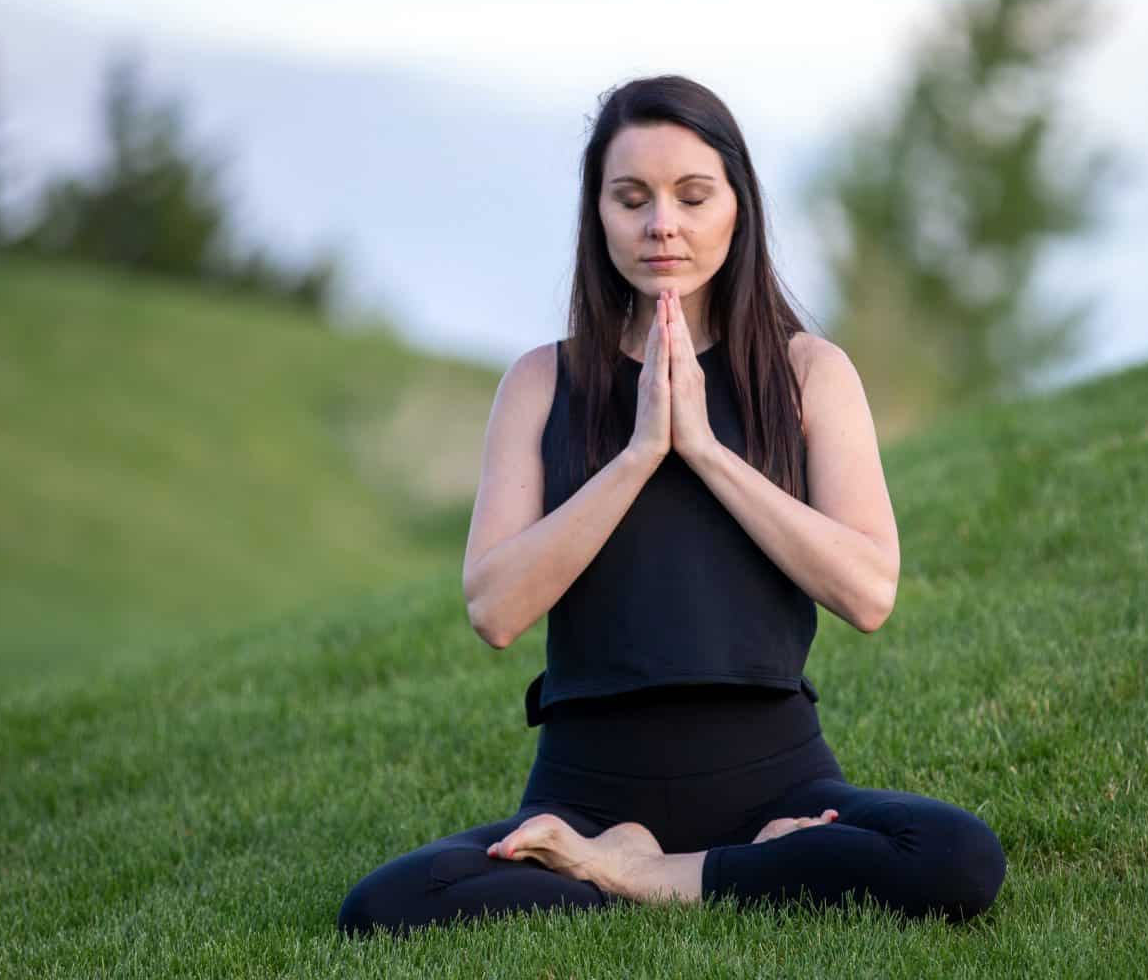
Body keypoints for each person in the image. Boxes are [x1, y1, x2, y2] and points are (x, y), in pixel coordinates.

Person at [337, 75, 1006, 937]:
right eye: (632, 198)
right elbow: (494, 609)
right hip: (587, 792)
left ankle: (645, 875)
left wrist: (706, 450)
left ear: (738, 207)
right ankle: (700, 865)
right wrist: (642, 450)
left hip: (780, 779)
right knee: (385, 906)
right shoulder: (540, 383)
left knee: (956, 857)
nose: (663, 224)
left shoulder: (810, 374)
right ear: (598, 215)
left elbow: (869, 593)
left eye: (693, 195)